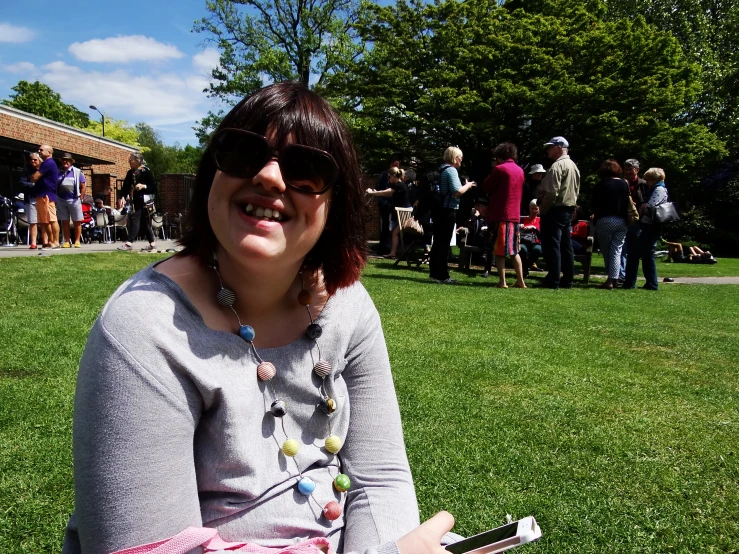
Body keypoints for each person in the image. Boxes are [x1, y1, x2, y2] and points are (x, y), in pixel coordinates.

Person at [62, 82, 455, 554]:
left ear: (335, 208)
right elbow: (149, 547)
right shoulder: (145, 327)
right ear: (213, 175)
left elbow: (380, 477)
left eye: (306, 170)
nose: (270, 177)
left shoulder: (348, 305)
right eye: (245, 154)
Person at [429, 147, 476, 284]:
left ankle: (434, 273)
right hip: (448, 210)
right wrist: (468, 185)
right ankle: (443, 275)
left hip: (438, 210)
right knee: (444, 244)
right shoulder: (451, 170)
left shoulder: (441, 169)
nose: (461, 159)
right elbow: (457, 191)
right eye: (460, 157)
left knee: (437, 243)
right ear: (455, 158)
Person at [481, 142, 526, 288]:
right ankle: (520, 281)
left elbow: (486, 187)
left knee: (499, 249)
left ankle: (502, 281)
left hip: (500, 214)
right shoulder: (520, 171)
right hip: (514, 215)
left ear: (499, 157)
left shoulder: (500, 169)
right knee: (514, 250)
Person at [539, 136, 580, 289]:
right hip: (568, 209)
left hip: (554, 209)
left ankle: (553, 279)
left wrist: (543, 209)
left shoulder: (557, 166)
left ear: (559, 148)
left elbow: (551, 193)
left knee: (552, 245)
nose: (548, 150)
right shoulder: (573, 166)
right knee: (566, 245)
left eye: (550, 147)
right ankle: (568, 279)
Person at [623, 167, 669, 290]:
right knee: (648, 256)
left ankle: (629, 282)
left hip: (651, 227)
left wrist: (644, 206)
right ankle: (652, 283)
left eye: (648, 180)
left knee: (633, 255)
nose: (647, 182)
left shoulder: (659, 189)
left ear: (654, 179)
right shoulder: (657, 188)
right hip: (650, 226)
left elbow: (651, 206)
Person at [591, 159, 629, 289]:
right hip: (622, 221)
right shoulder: (624, 183)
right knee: (617, 250)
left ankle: (610, 280)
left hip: (605, 220)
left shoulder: (602, 184)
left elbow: (594, 203)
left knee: (607, 252)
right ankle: (615, 278)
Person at [365, 166, 411, 258]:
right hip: (399, 213)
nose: (388, 178)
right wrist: (376, 192)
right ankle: (393, 253)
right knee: (394, 233)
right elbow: (387, 193)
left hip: (403, 213)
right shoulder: (398, 186)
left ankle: (394, 253)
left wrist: (372, 192)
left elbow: (385, 193)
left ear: (393, 176)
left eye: (389, 177)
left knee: (395, 233)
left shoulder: (399, 185)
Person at [117, 152, 157, 251]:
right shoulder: (130, 173)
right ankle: (152, 244)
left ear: (138, 161)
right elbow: (125, 187)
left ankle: (129, 243)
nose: (129, 161)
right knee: (144, 223)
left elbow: (153, 187)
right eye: (129, 159)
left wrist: (143, 186)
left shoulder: (145, 171)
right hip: (135, 200)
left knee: (135, 219)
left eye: (132, 159)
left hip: (144, 201)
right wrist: (122, 197)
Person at [618, 159, 648, 283]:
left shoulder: (643, 184)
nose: (628, 172)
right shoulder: (620, 183)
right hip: (622, 219)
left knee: (633, 250)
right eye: (626, 169)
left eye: (631, 169)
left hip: (637, 221)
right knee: (620, 249)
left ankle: (630, 278)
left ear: (637, 170)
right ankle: (621, 276)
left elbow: (647, 201)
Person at [31, 144, 60, 249]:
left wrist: (32, 178)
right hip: (41, 194)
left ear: (49, 152)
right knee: (45, 221)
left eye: (41, 150)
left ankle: (56, 241)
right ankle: (50, 241)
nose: (39, 151)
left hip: (47, 195)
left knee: (52, 219)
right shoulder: (44, 163)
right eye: (38, 149)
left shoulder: (49, 163)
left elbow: (35, 177)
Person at [57, 152, 87, 248]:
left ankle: (77, 241)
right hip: (61, 199)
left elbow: (83, 186)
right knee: (64, 221)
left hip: (74, 199)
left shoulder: (77, 172)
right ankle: (67, 241)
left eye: (67, 160)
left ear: (71, 162)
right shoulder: (58, 172)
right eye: (63, 160)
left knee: (77, 221)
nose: (65, 162)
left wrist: (81, 198)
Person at [375, 156, 401, 255]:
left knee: (393, 227)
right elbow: (379, 189)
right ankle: (383, 247)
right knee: (386, 226)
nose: (396, 167)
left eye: (398, 165)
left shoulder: (398, 178)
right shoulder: (384, 175)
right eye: (395, 165)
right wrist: (383, 202)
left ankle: (391, 247)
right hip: (385, 204)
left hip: (394, 205)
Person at [19, 152, 41, 249]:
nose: (32, 161)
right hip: (31, 199)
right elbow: (22, 182)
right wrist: (32, 185)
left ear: (40, 160)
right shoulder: (27, 172)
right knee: (33, 222)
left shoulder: (44, 171)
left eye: (35, 159)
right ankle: (33, 243)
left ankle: (47, 241)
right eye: (31, 159)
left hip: (43, 199)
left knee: (45, 222)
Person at [519, 200, 542, 277]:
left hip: (536, 241)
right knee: (522, 248)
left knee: (537, 250)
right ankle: (525, 267)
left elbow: (543, 234)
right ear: (529, 208)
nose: (534, 211)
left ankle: (525, 267)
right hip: (524, 240)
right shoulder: (523, 219)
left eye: (536, 209)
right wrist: (520, 227)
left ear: (539, 209)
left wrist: (535, 228)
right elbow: (516, 231)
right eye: (532, 208)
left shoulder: (540, 220)